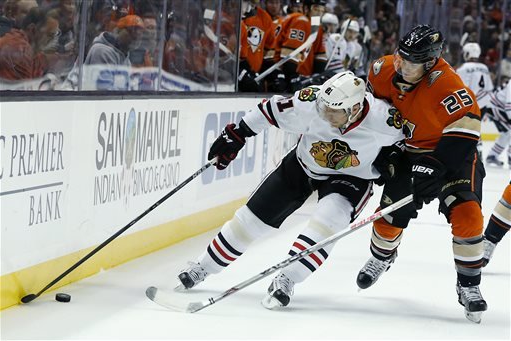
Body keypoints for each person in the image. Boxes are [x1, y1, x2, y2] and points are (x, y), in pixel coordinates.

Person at [174, 71, 405, 309]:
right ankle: (203, 266)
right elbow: (270, 110)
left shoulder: (384, 120)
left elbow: (413, 142)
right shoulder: (312, 103)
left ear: (354, 109)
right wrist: (238, 133)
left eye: (333, 111)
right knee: (250, 220)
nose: (324, 114)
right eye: (323, 107)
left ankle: (287, 278)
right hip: (303, 166)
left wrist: (397, 157)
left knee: (327, 221)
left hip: (352, 177)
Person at [358, 25, 487, 323]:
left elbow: (467, 129)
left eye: (410, 62)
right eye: (399, 57)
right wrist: (382, 152)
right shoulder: (382, 69)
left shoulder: (447, 84)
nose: (400, 65)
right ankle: (381, 258)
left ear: (429, 64)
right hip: (407, 152)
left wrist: (437, 166)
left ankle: (469, 285)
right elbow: (371, 115)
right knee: (390, 216)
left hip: (451, 153)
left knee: (467, 213)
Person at [456, 42, 494, 159]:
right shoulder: (484, 68)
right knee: (475, 127)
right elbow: (490, 88)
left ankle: (467, 151)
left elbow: (460, 88)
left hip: (470, 104)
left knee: (464, 127)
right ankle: (479, 150)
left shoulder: (463, 69)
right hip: (484, 104)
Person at [0, 6, 57, 80]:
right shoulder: (18, 49)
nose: (52, 40)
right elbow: (23, 89)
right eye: (49, 35)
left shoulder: (32, 50)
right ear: (32, 29)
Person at [238, 0, 275, 92]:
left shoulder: (264, 18)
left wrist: (274, 74)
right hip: (229, 78)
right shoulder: (228, 18)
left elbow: (269, 51)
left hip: (253, 76)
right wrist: (241, 73)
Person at [486, 80, 511, 167]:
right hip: (494, 107)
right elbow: (509, 105)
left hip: (497, 107)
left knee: (507, 132)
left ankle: (492, 155)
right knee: (509, 132)